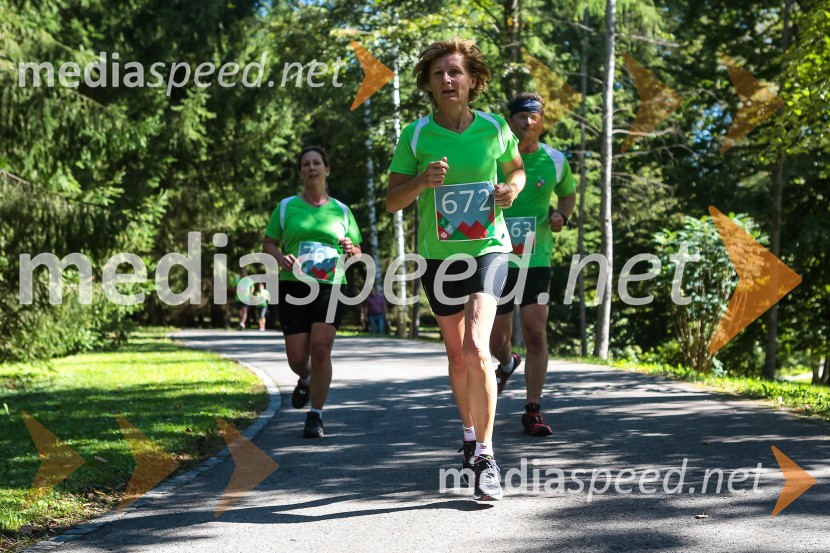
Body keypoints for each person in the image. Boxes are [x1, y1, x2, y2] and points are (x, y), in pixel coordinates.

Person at [387, 38, 525, 501]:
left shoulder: (494, 127)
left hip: (490, 247)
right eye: (439, 74)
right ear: (428, 84)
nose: (448, 80)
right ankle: (468, 433)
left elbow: (517, 170)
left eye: (456, 72)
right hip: (439, 256)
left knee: (477, 348)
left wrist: (511, 190)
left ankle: (486, 455)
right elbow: (391, 201)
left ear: (473, 81)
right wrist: (422, 181)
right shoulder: (416, 136)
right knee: (455, 354)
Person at [489, 92, 576, 436]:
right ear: (509, 121)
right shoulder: (494, 157)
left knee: (537, 332)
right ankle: (508, 363)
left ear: (542, 121)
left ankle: (533, 408)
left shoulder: (555, 160)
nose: (527, 123)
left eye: (534, 117)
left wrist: (562, 216)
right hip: (495, 256)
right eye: (521, 117)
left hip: (536, 260)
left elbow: (567, 194)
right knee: (497, 340)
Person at [263, 145, 363, 438]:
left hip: (331, 286)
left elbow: (357, 251)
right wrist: (280, 257)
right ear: (300, 172)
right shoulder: (285, 207)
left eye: (317, 163)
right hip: (294, 285)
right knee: (297, 358)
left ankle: (315, 415)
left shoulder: (342, 211)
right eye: (305, 164)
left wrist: (351, 248)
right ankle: (305, 378)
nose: (311, 168)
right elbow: (268, 242)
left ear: (326, 169)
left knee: (321, 349)